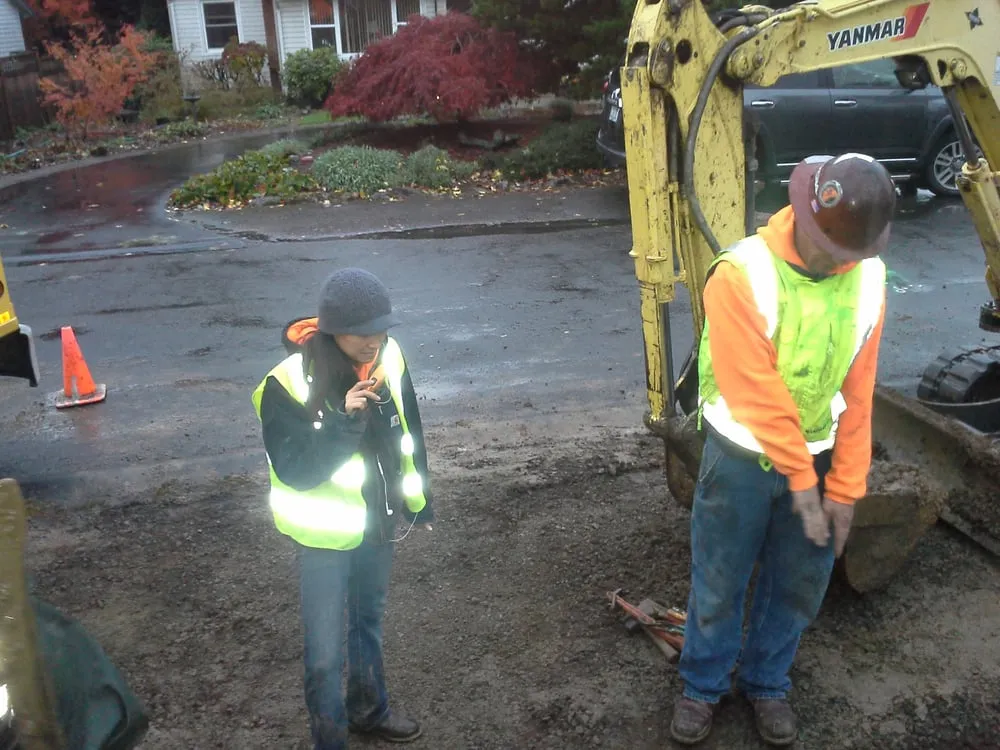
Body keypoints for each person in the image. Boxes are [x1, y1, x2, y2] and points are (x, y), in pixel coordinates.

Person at [669, 153, 894, 746]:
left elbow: (859, 389)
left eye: (850, 254)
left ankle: (767, 682)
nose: (840, 263)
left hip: (816, 458)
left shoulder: (869, 278)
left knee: (798, 583)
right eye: (831, 249)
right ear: (803, 215)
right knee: (719, 579)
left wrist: (844, 487)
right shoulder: (740, 274)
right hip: (738, 459)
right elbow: (756, 394)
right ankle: (702, 685)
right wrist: (801, 479)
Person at [251, 267, 435, 750]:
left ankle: (369, 711)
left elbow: (408, 428)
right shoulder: (286, 383)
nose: (374, 340)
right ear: (333, 331)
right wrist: (342, 421)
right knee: (324, 655)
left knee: (366, 624)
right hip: (324, 537)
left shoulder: (388, 355)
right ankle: (329, 740)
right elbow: (296, 469)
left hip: (378, 520)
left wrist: (418, 501)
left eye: (381, 328)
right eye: (362, 332)